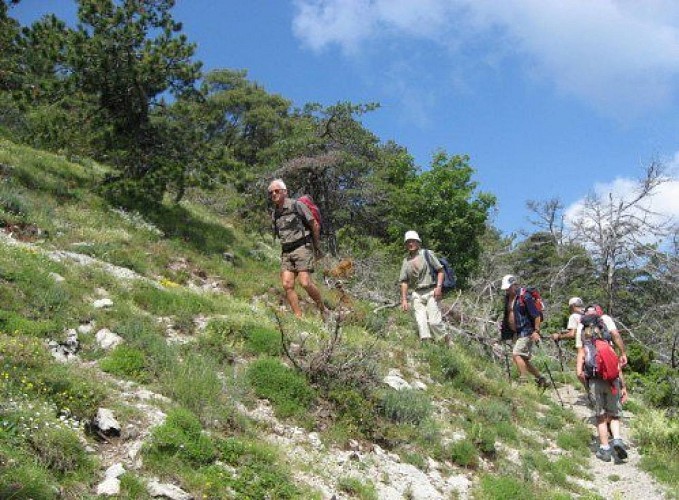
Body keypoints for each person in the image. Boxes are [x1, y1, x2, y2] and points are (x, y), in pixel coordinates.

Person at [576, 304, 629, 462]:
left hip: (594, 382)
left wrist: (587, 386)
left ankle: (605, 449)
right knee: (614, 415)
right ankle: (618, 440)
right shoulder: (608, 346)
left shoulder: (584, 348)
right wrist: (623, 387)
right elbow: (617, 368)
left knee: (600, 417)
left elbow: (579, 372)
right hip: (612, 383)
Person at [269, 179, 328, 319]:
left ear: (285, 192)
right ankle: (298, 316)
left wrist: (316, 246)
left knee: (305, 282)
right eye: (271, 192)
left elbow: (314, 225)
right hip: (286, 251)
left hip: (302, 247)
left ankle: (323, 309)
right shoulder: (275, 213)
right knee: (287, 284)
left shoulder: (297, 205)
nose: (273, 194)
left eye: (277, 191)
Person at [499, 274, 549, 388]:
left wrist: (536, 331)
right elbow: (508, 314)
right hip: (515, 332)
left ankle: (523, 381)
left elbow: (536, 315)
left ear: (514, 285)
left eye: (508, 288)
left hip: (527, 331)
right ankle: (541, 378)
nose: (506, 290)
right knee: (523, 359)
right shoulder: (507, 298)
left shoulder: (525, 296)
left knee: (516, 354)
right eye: (505, 288)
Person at [398, 231, 447, 344]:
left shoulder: (427, 254)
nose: (410, 243)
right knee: (421, 323)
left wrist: (439, 287)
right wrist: (404, 300)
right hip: (416, 294)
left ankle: (446, 342)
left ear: (418, 242)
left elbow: (440, 270)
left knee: (435, 322)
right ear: (406, 244)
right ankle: (428, 346)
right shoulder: (406, 261)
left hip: (431, 291)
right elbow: (404, 281)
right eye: (408, 242)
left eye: (413, 241)